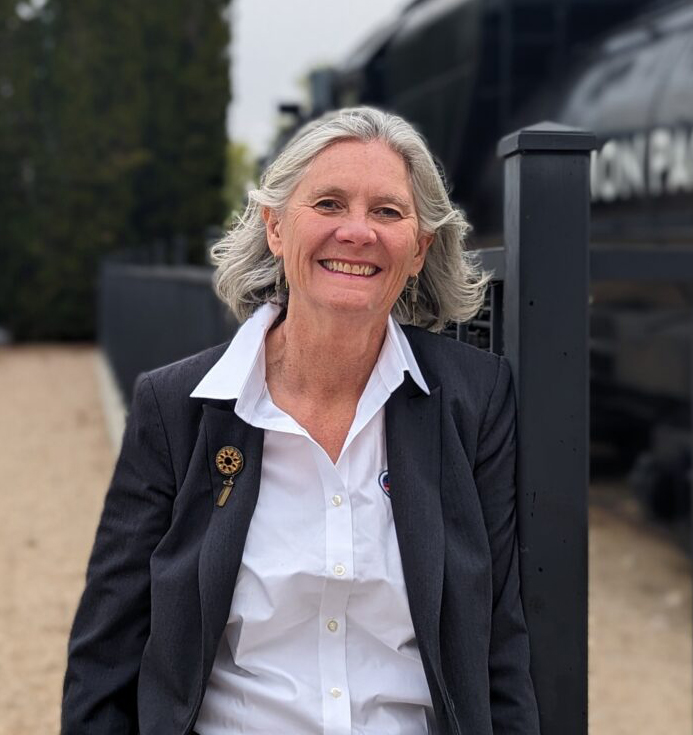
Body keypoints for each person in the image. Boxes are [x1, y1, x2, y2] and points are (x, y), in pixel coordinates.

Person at [62, 107, 540, 735]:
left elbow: (499, 644)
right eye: (329, 203)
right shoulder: (176, 406)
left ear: (419, 250)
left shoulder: (474, 399)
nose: (357, 232)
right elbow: (105, 658)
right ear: (276, 228)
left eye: (388, 212)